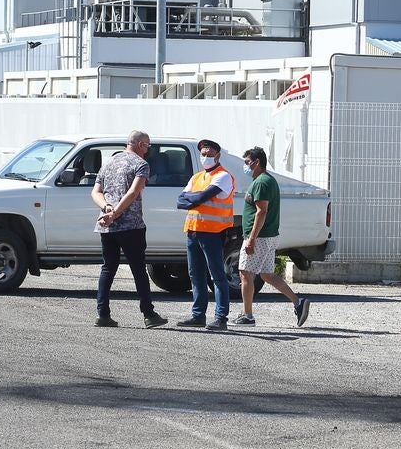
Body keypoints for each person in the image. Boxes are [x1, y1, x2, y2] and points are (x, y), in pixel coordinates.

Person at [90, 130, 168, 329]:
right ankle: (148, 314)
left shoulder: (109, 162)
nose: (149, 150)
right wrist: (115, 212)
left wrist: (106, 209)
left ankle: (103, 313)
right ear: (141, 145)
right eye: (148, 146)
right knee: (138, 269)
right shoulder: (140, 164)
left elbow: (96, 192)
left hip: (107, 226)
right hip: (131, 225)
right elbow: (134, 192)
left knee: (108, 268)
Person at [234, 147, 311, 327]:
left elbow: (261, 211)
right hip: (268, 236)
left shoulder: (261, 182)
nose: (245, 166)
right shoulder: (267, 180)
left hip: (260, 237)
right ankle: (298, 303)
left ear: (256, 162)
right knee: (267, 275)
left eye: (247, 162)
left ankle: (248, 316)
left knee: (245, 273)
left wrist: (251, 239)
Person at [175, 138, 234, 330]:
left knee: (216, 275)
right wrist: (193, 199)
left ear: (218, 155)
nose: (206, 157)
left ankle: (220, 318)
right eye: (203, 154)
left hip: (212, 232)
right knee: (195, 274)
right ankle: (198, 315)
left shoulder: (223, 176)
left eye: (209, 154)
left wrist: (192, 199)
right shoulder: (197, 177)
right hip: (193, 230)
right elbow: (180, 201)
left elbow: (200, 197)